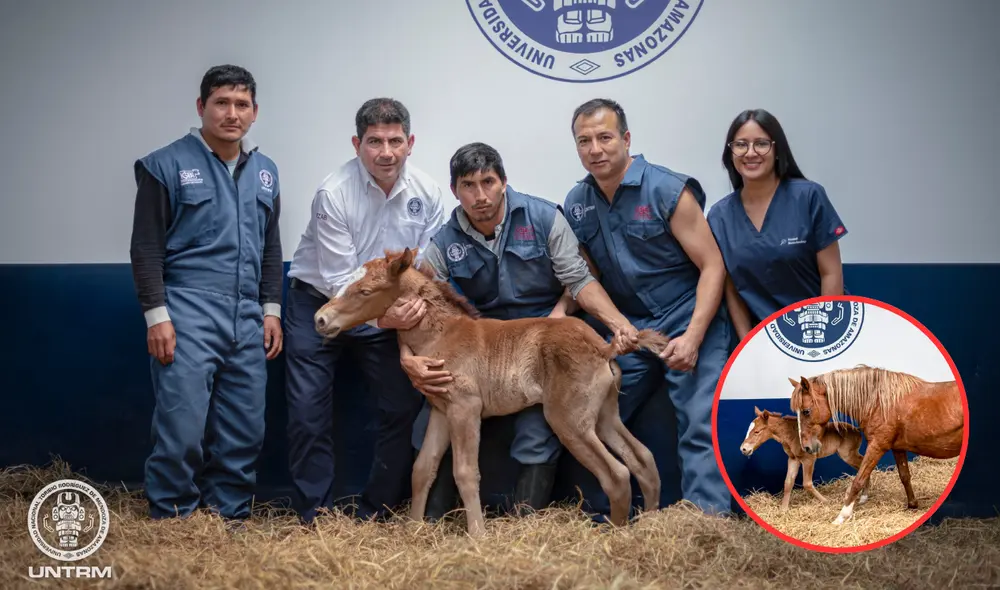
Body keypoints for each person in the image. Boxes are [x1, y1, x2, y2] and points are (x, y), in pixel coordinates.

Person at [378, 141, 639, 520]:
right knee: (427, 426)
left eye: (488, 182)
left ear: (504, 182)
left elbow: (579, 279)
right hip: (480, 350)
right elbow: (416, 304)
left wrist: (610, 322)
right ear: (455, 191)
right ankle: (430, 525)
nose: (480, 195)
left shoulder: (545, 217)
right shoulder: (443, 241)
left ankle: (525, 530)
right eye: (468, 185)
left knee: (540, 432)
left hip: (539, 345)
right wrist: (407, 360)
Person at [560, 98, 733, 518]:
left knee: (699, 421)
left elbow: (713, 266)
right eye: (584, 141)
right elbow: (586, 273)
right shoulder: (577, 200)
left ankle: (707, 523)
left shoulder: (667, 189)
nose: (595, 149)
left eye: (604, 137)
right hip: (629, 327)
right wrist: (561, 313)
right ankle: (599, 514)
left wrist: (692, 337)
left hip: (688, 316)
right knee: (589, 410)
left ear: (626, 138)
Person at [128, 64, 284, 522]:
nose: (231, 113)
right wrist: (156, 316)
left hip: (247, 318)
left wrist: (270, 310)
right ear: (202, 107)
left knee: (245, 428)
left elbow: (270, 248)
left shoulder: (266, 173)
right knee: (181, 426)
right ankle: (174, 519)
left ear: (254, 112)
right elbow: (146, 247)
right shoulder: (165, 165)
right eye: (221, 103)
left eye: (241, 105)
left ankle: (227, 520)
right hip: (187, 311)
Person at [283, 97, 446, 525]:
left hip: (387, 308)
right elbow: (341, 282)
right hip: (320, 301)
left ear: (411, 143)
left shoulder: (429, 192)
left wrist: (406, 312)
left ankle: (377, 513)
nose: (386, 152)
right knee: (308, 412)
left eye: (395, 141)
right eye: (375, 141)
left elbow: (427, 269)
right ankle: (314, 517)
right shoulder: (333, 193)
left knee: (401, 405)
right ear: (357, 144)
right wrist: (387, 318)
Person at [707, 108, 849, 340]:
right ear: (730, 153)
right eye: (741, 145)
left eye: (761, 144)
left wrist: (826, 336)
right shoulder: (719, 216)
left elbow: (831, 273)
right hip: (766, 339)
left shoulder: (809, 196)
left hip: (822, 329)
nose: (750, 153)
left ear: (777, 150)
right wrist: (748, 343)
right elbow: (732, 289)